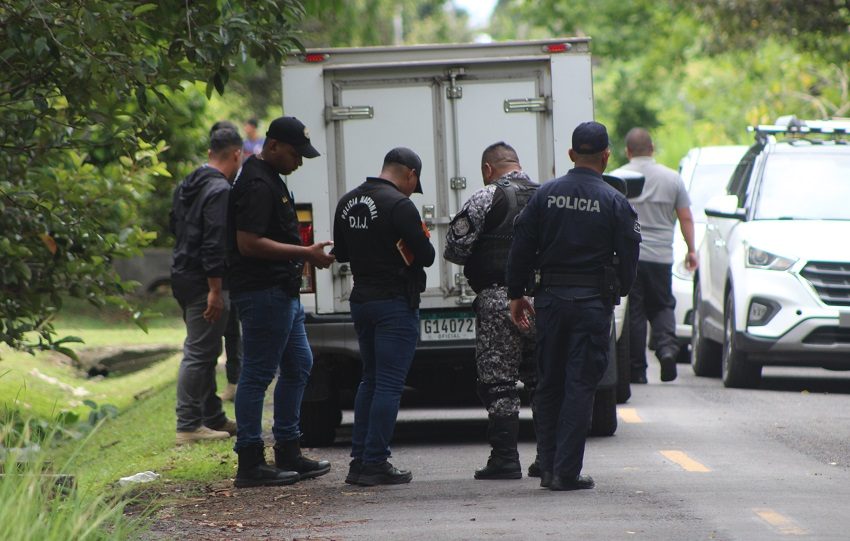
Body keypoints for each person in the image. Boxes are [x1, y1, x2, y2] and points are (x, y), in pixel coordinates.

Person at [506, 121, 640, 491]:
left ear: (570, 154)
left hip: (550, 302)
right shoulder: (614, 200)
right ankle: (565, 471)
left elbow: (521, 245)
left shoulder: (545, 195)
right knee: (580, 385)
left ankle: (548, 467)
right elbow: (630, 254)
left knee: (549, 384)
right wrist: (621, 289)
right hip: (591, 305)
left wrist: (516, 294)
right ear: (606, 156)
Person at [228, 116, 335, 488]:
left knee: (299, 363)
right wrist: (304, 251)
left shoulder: (270, 178)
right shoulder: (257, 183)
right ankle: (250, 460)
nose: (299, 161)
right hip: (263, 292)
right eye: (295, 153)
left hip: (280, 292)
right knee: (257, 373)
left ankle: (288, 449)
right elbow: (248, 243)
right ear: (272, 146)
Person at [332, 147, 435, 486]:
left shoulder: (347, 201)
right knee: (389, 384)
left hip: (361, 300)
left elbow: (342, 253)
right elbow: (427, 256)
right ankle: (375, 462)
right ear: (410, 174)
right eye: (413, 184)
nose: (411, 190)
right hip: (394, 303)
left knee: (370, 380)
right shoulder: (399, 205)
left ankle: (359, 461)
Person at [444, 142, 539, 480]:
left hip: (499, 299)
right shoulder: (546, 195)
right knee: (541, 379)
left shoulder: (487, 197)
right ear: (518, 163)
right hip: (545, 301)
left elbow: (455, 248)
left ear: (488, 169)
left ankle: (505, 459)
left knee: (499, 382)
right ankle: (548, 457)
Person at [170, 126, 243, 445]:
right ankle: (188, 424)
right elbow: (214, 241)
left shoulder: (188, 183)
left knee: (207, 347)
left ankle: (213, 417)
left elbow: (174, 224)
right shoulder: (220, 190)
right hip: (204, 280)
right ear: (237, 154)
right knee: (200, 352)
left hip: (182, 273)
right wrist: (215, 288)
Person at [621, 127, 698, 384]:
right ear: (652, 149)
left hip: (629, 257)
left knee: (635, 312)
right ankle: (666, 349)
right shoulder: (672, 178)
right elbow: (686, 216)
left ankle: (637, 370)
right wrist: (691, 250)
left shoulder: (617, 177)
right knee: (663, 305)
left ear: (628, 151)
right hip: (661, 257)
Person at [209, 120, 242, 402]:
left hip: (232, 269)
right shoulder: (215, 185)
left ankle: (235, 380)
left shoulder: (236, 181)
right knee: (221, 332)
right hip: (218, 269)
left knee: (233, 330)